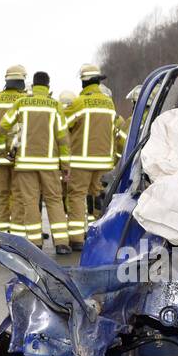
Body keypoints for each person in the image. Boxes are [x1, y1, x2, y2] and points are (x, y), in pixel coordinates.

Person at [0, 71, 70, 251]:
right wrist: (66, 165)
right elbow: (63, 137)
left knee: (29, 201)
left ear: (33, 85)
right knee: (54, 200)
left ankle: (35, 243)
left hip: (25, 164)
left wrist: (2, 148)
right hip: (49, 163)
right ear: (48, 86)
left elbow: (1, 128)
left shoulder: (21, 103)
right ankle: (61, 243)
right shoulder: (55, 106)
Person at [61, 64, 121, 251]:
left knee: (77, 196)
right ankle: (100, 234)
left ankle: (77, 238)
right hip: (104, 161)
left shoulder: (79, 103)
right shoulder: (109, 103)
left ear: (83, 81)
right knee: (99, 196)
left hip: (81, 160)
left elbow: (63, 125)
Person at [0, 65, 29, 232]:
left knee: (0, 195)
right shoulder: (25, 100)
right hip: (20, 156)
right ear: (22, 80)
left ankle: (1, 231)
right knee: (18, 195)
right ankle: (17, 231)